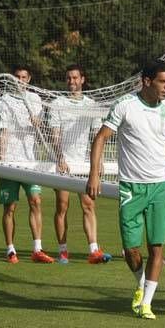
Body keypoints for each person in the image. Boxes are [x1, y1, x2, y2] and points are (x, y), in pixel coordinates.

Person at [87, 60, 165, 320]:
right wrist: (95, 174)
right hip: (131, 186)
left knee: (157, 247)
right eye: (162, 81)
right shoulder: (125, 106)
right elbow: (101, 138)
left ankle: (146, 303)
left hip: (160, 185)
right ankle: (140, 282)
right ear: (146, 81)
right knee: (130, 249)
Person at [49, 64, 111, 264]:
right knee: (62, 206)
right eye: (68, 78)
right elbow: (55, 135)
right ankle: (63, 250)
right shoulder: (57, 103)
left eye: (75, 78)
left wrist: (98, 161)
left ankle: (94, 250)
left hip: (83, 164)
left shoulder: (91, 105)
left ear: (82, 79)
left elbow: (97, 135)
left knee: (88, 204)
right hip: (62, 164)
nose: (72, 82)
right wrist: (60, 158)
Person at [0, 65, 54, 263]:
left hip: (30, 162)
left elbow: (41, 128)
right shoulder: (4, 101)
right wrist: (2, 160)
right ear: (12, 80)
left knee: (36, 201)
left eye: (24, 77)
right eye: (17, 77)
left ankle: (37, 249)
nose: (20, 80)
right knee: (10, 207)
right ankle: (10, 249)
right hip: (11, 163)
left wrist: (37, 121)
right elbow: (2, 131)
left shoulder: (35, 99)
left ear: (28, 79)